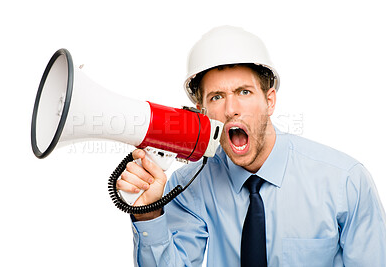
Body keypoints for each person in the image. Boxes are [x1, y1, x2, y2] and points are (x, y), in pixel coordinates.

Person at [117, 26, 386, 266]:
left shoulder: (344, 181)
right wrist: (149, 214)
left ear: (270, 101)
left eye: (244, 92)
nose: (231, 109)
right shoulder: (190, 185)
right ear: (202, 112)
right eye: (217, 97)